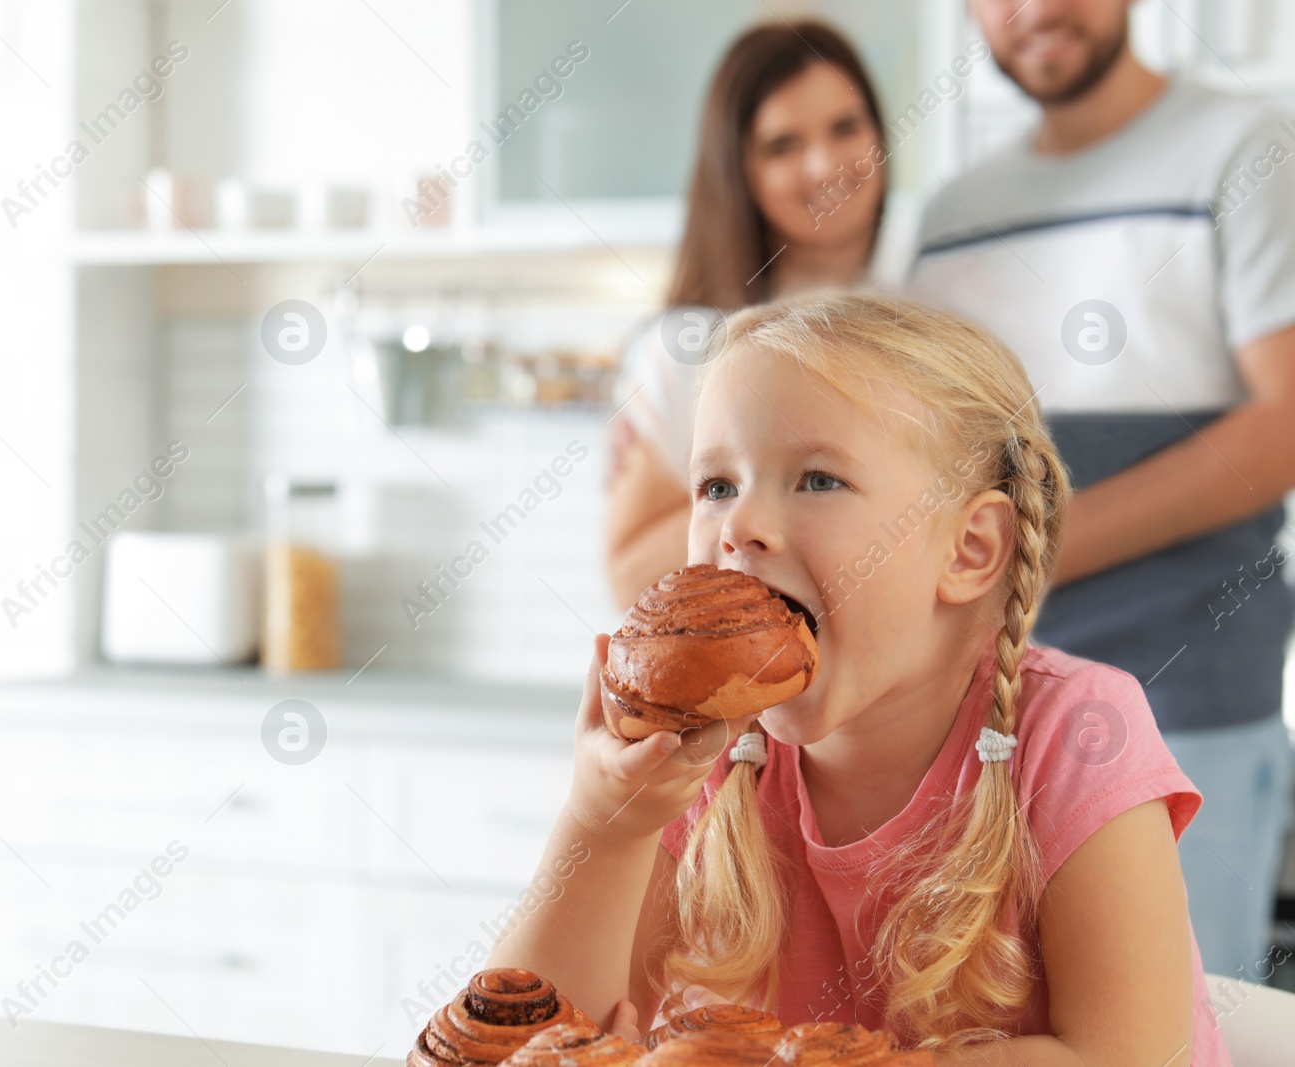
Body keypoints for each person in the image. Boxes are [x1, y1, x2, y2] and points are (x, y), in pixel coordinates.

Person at [489, 294, 1229, 1062]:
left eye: (816, 479)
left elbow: (1124, 1054)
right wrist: (606, 823)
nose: (738, 525)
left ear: (969, 549)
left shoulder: (1076, 733)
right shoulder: (712, 759)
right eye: (715, 485)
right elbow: (527, 1042)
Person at [905, 0, 1295, 984]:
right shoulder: (952, 215)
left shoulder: (1242, 149)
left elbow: (1283, 423)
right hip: (985, 720)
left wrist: (1040, 546)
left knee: (1183, 1024)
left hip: (1183, 697)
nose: (1035, 10)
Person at [607, 20, 888, 609]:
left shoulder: (920, 323)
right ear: (739, 170)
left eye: (846, 128)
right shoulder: (684, 347)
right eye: (782, 145)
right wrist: (772, 487)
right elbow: (629, 576)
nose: (824, 165)